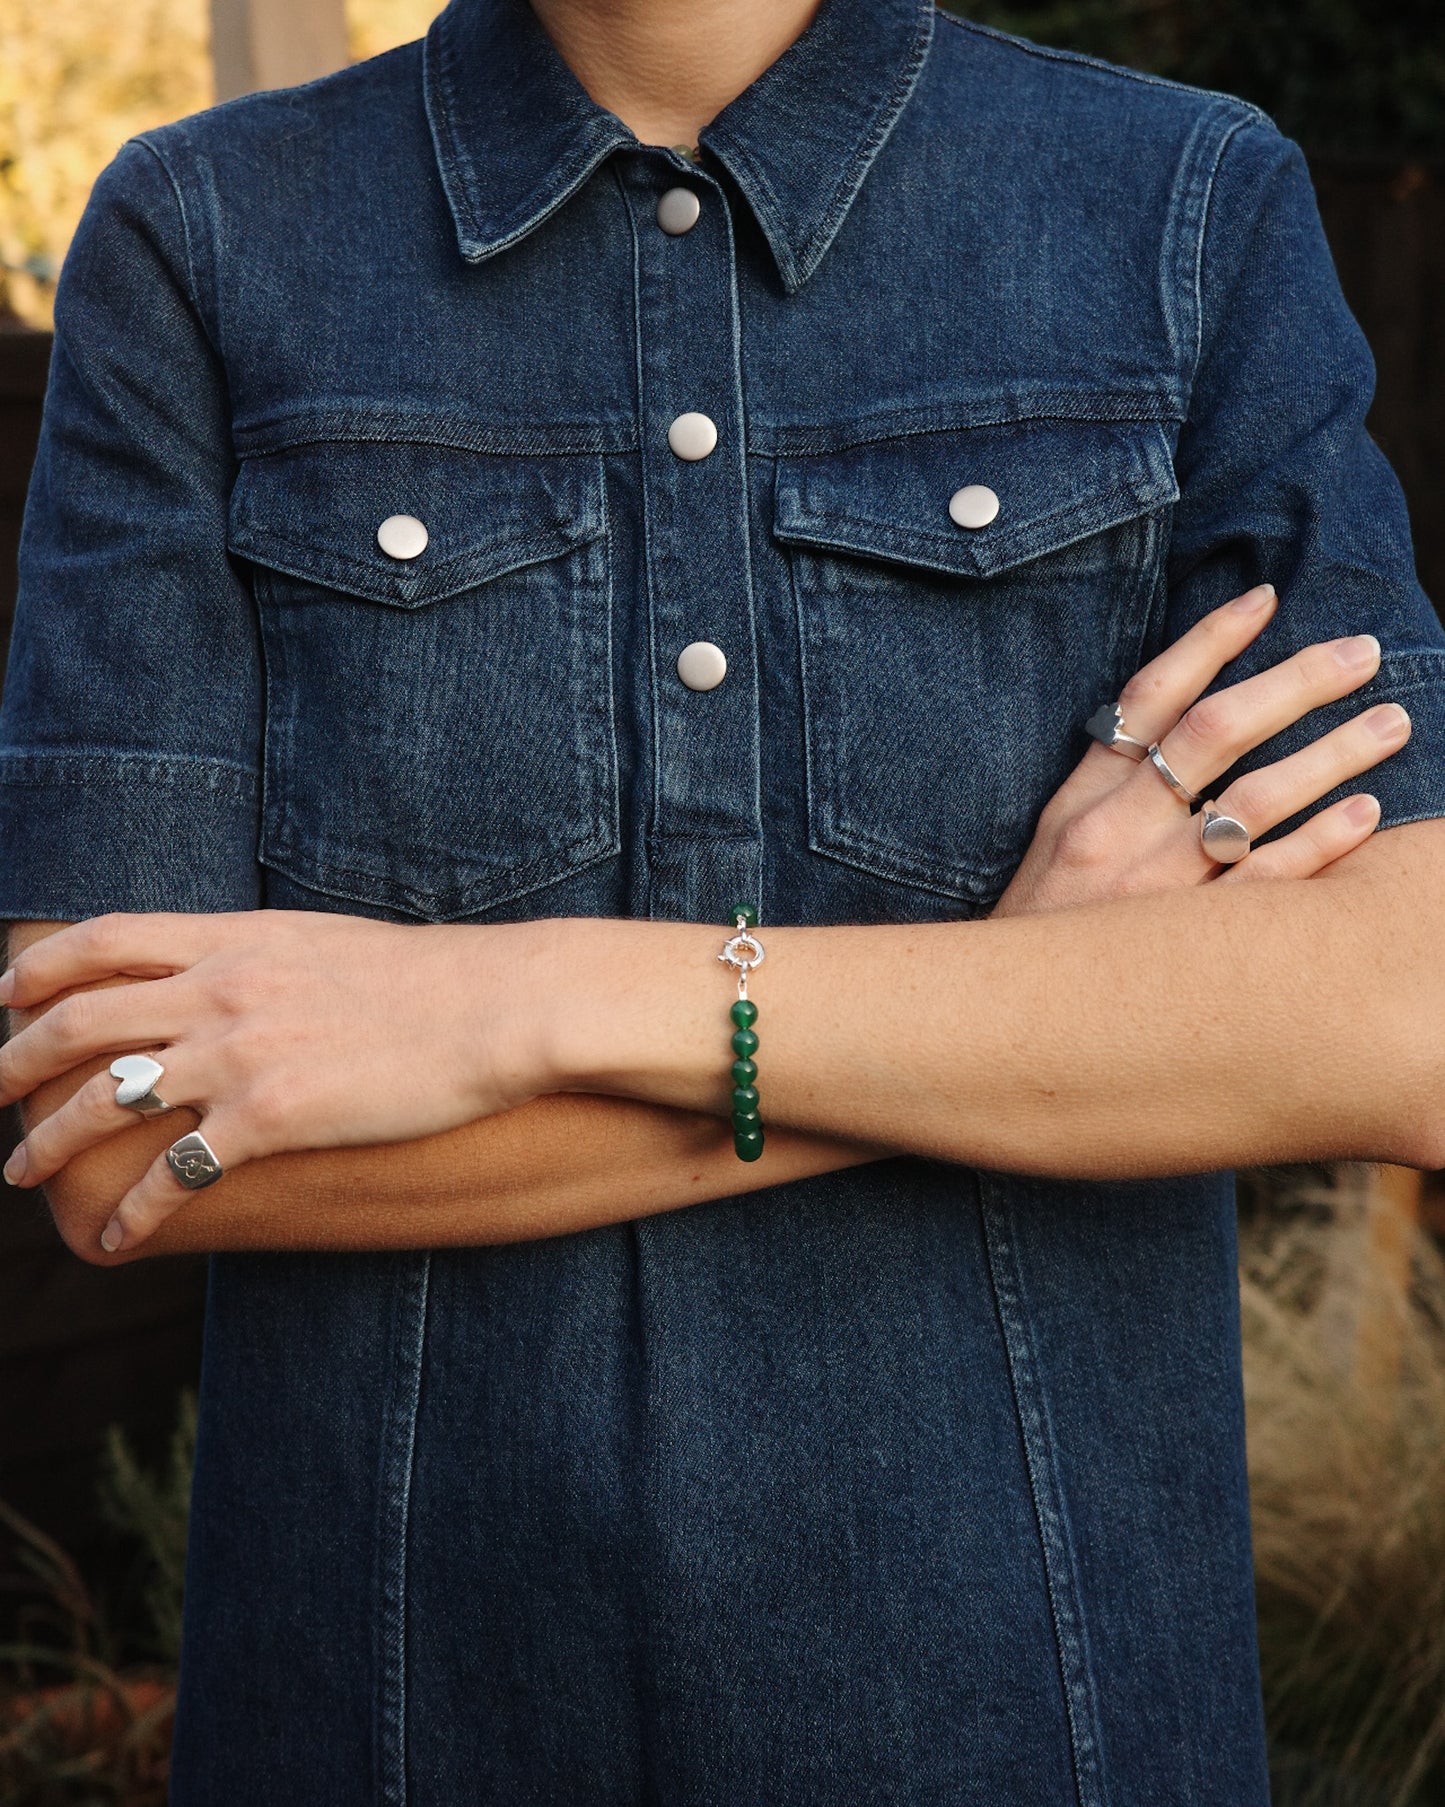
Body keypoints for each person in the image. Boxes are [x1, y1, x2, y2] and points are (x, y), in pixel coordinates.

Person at [1, 0, 1443, 1797]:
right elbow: (114, 1133)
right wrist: (1013, 1001)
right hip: (393, 1724)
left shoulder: (1179, 206)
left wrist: (524, 1005)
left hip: (1042, 1723)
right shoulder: (202, 235)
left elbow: (1398, 1010)